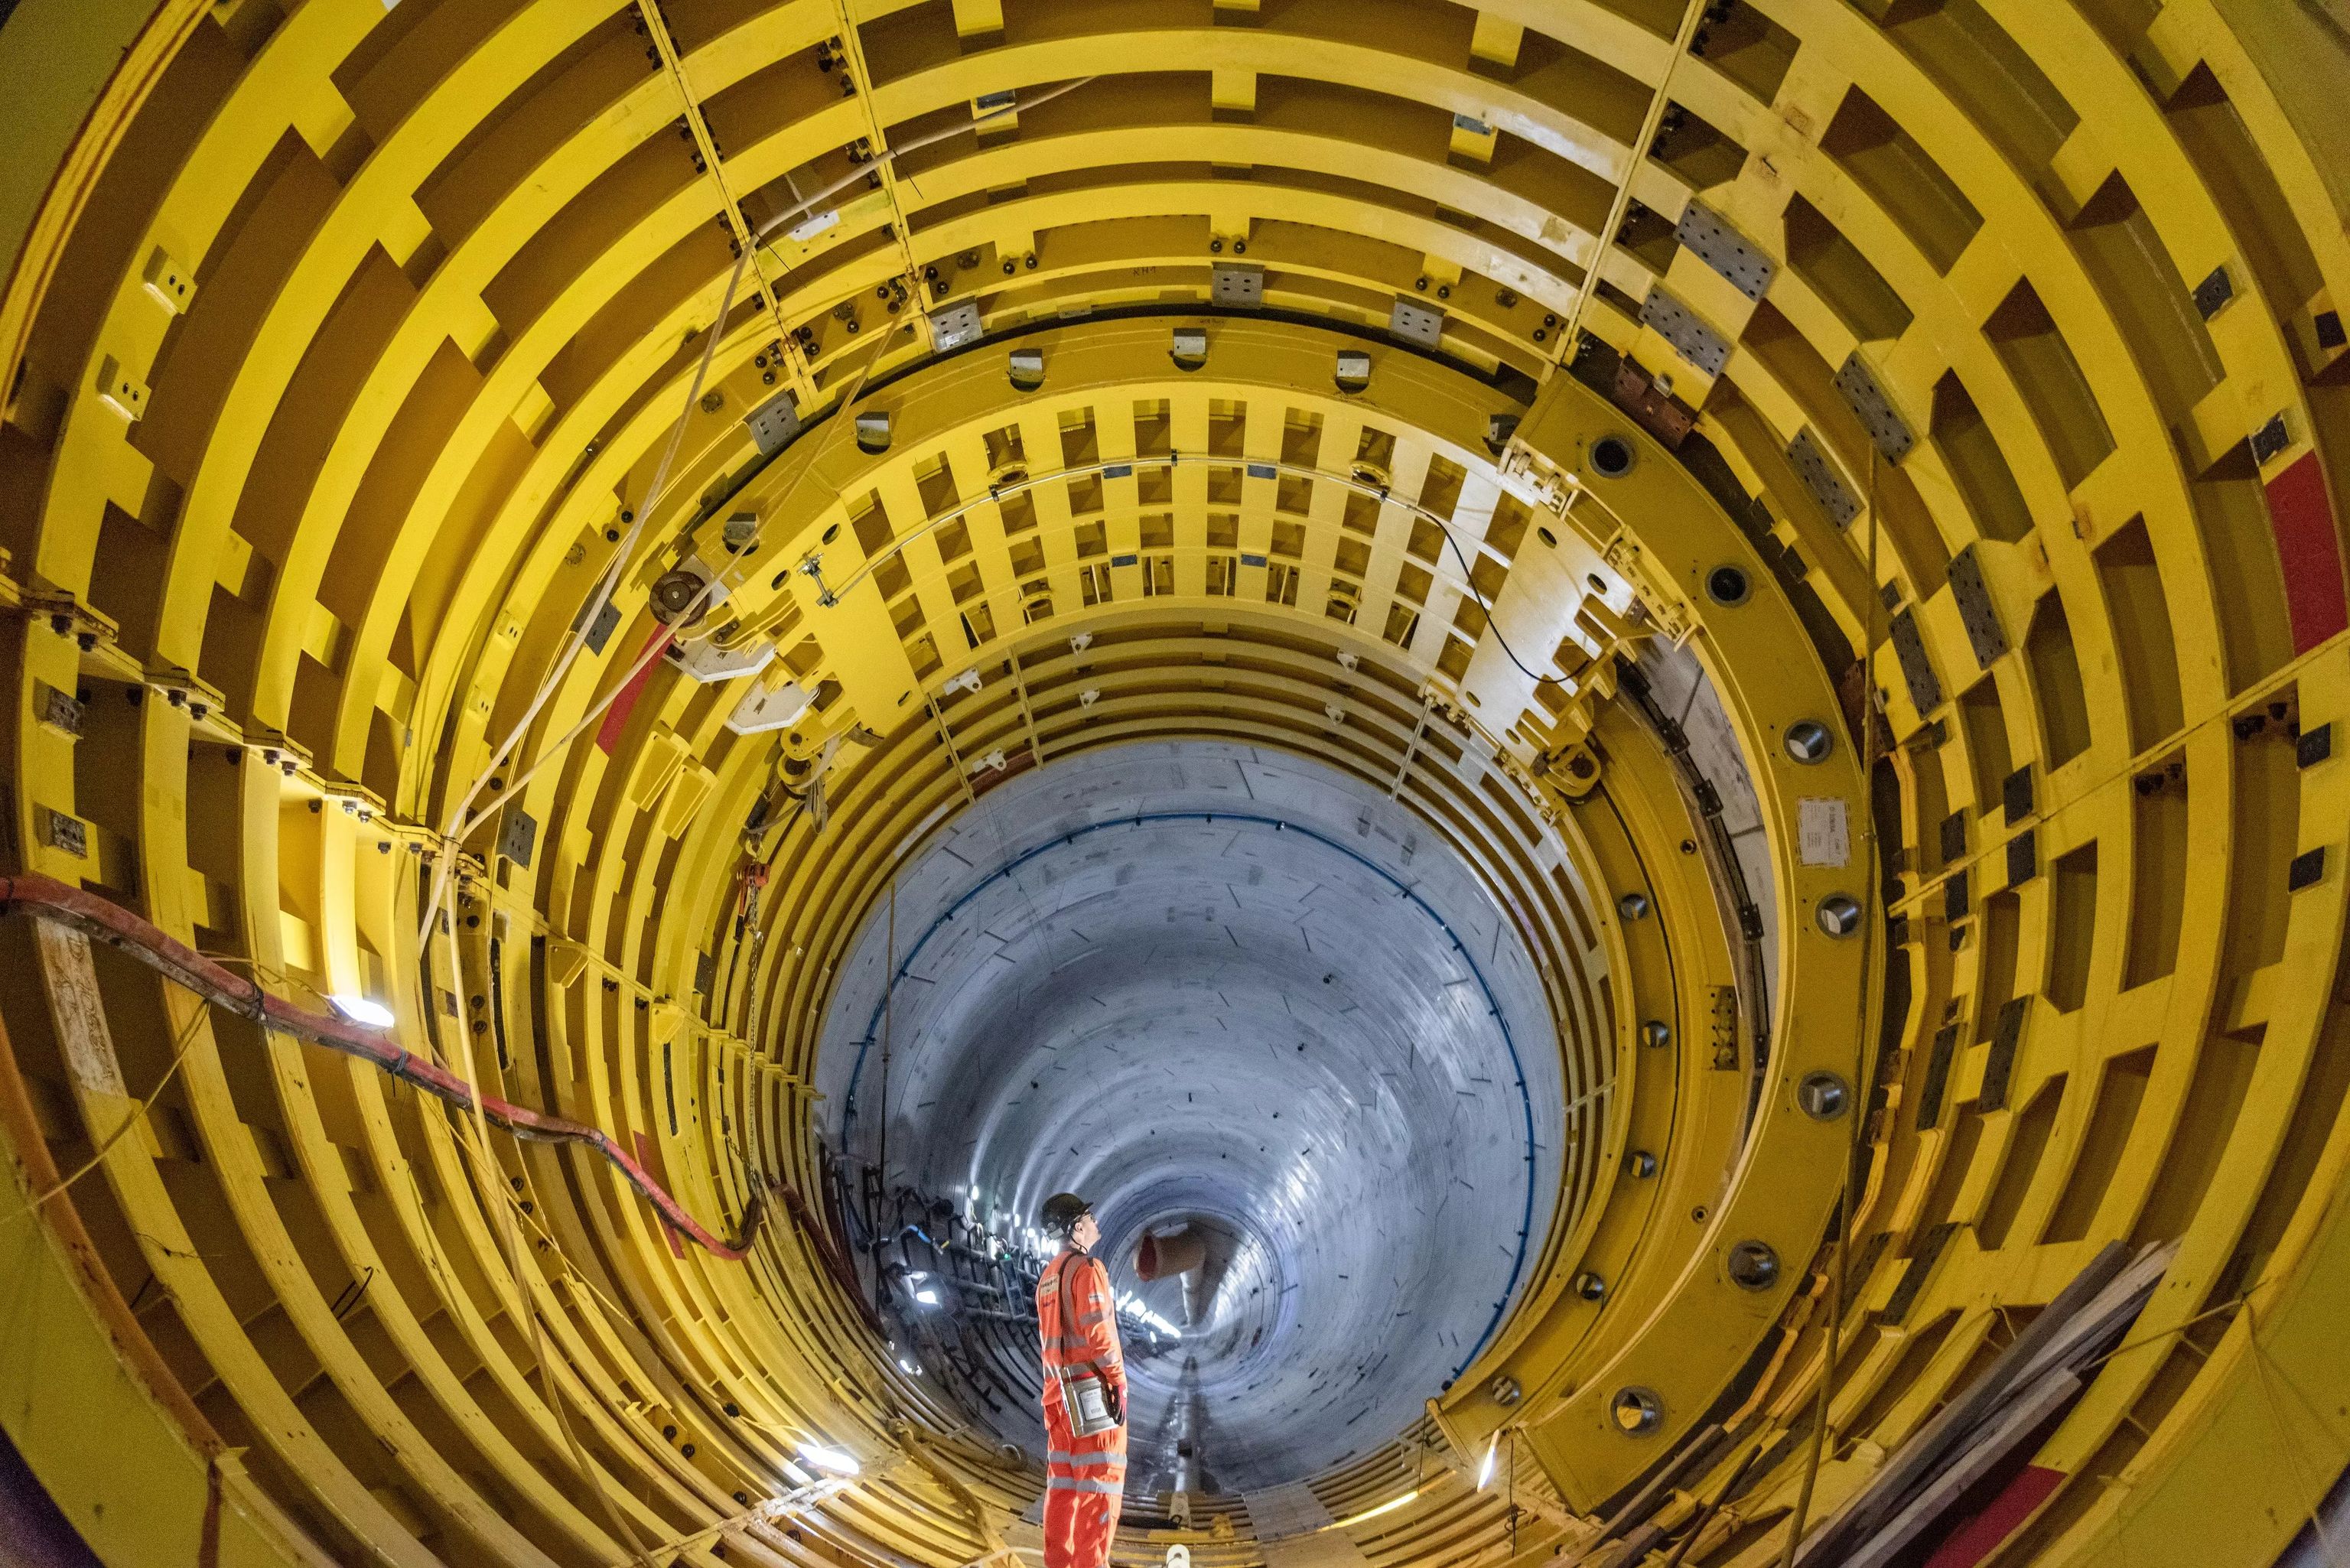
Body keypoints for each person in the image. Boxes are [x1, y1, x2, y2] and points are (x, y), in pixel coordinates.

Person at [1036, 1192, 1125, 1568]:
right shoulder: (1087, 1269)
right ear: (1076, 1228)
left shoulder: (1047, 1277)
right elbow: (1098, 1335)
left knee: (1063, 1486)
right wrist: (1117, 1380)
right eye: (1089, 1216)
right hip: (1091, 1399)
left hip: (1057, 1398)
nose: (1095, 1221)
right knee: (1099, 1487)